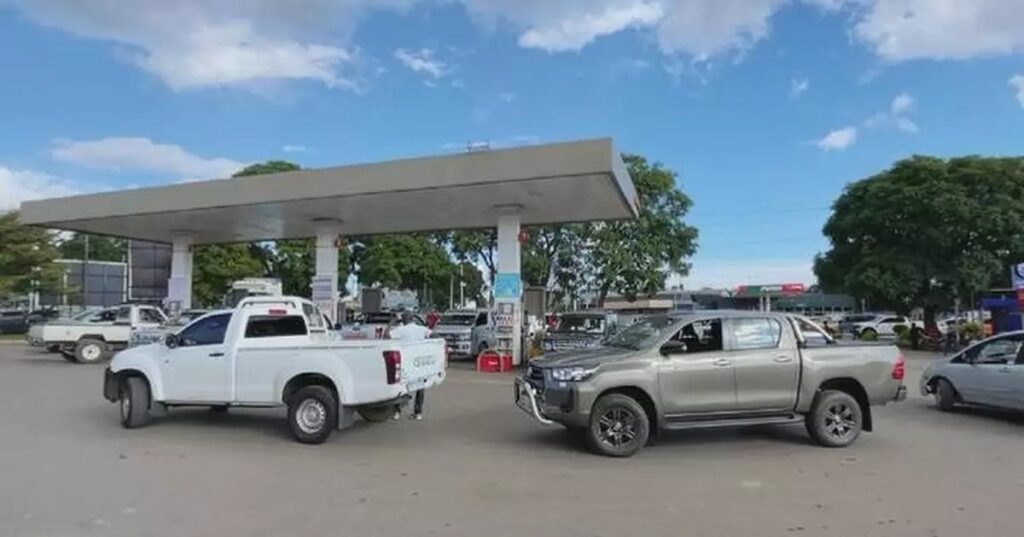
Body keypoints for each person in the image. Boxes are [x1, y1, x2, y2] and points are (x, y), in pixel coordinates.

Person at [389, 311, 430, 420]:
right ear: (413, 319)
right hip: (419, 362)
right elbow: (433, 335)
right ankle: (418, 413)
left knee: (400, 387)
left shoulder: (400, 330)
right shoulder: (421, 329)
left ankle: (397, 412)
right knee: (420, 387)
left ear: (403, 319)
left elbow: (386, 336)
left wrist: (392, 322)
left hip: (405, 362)